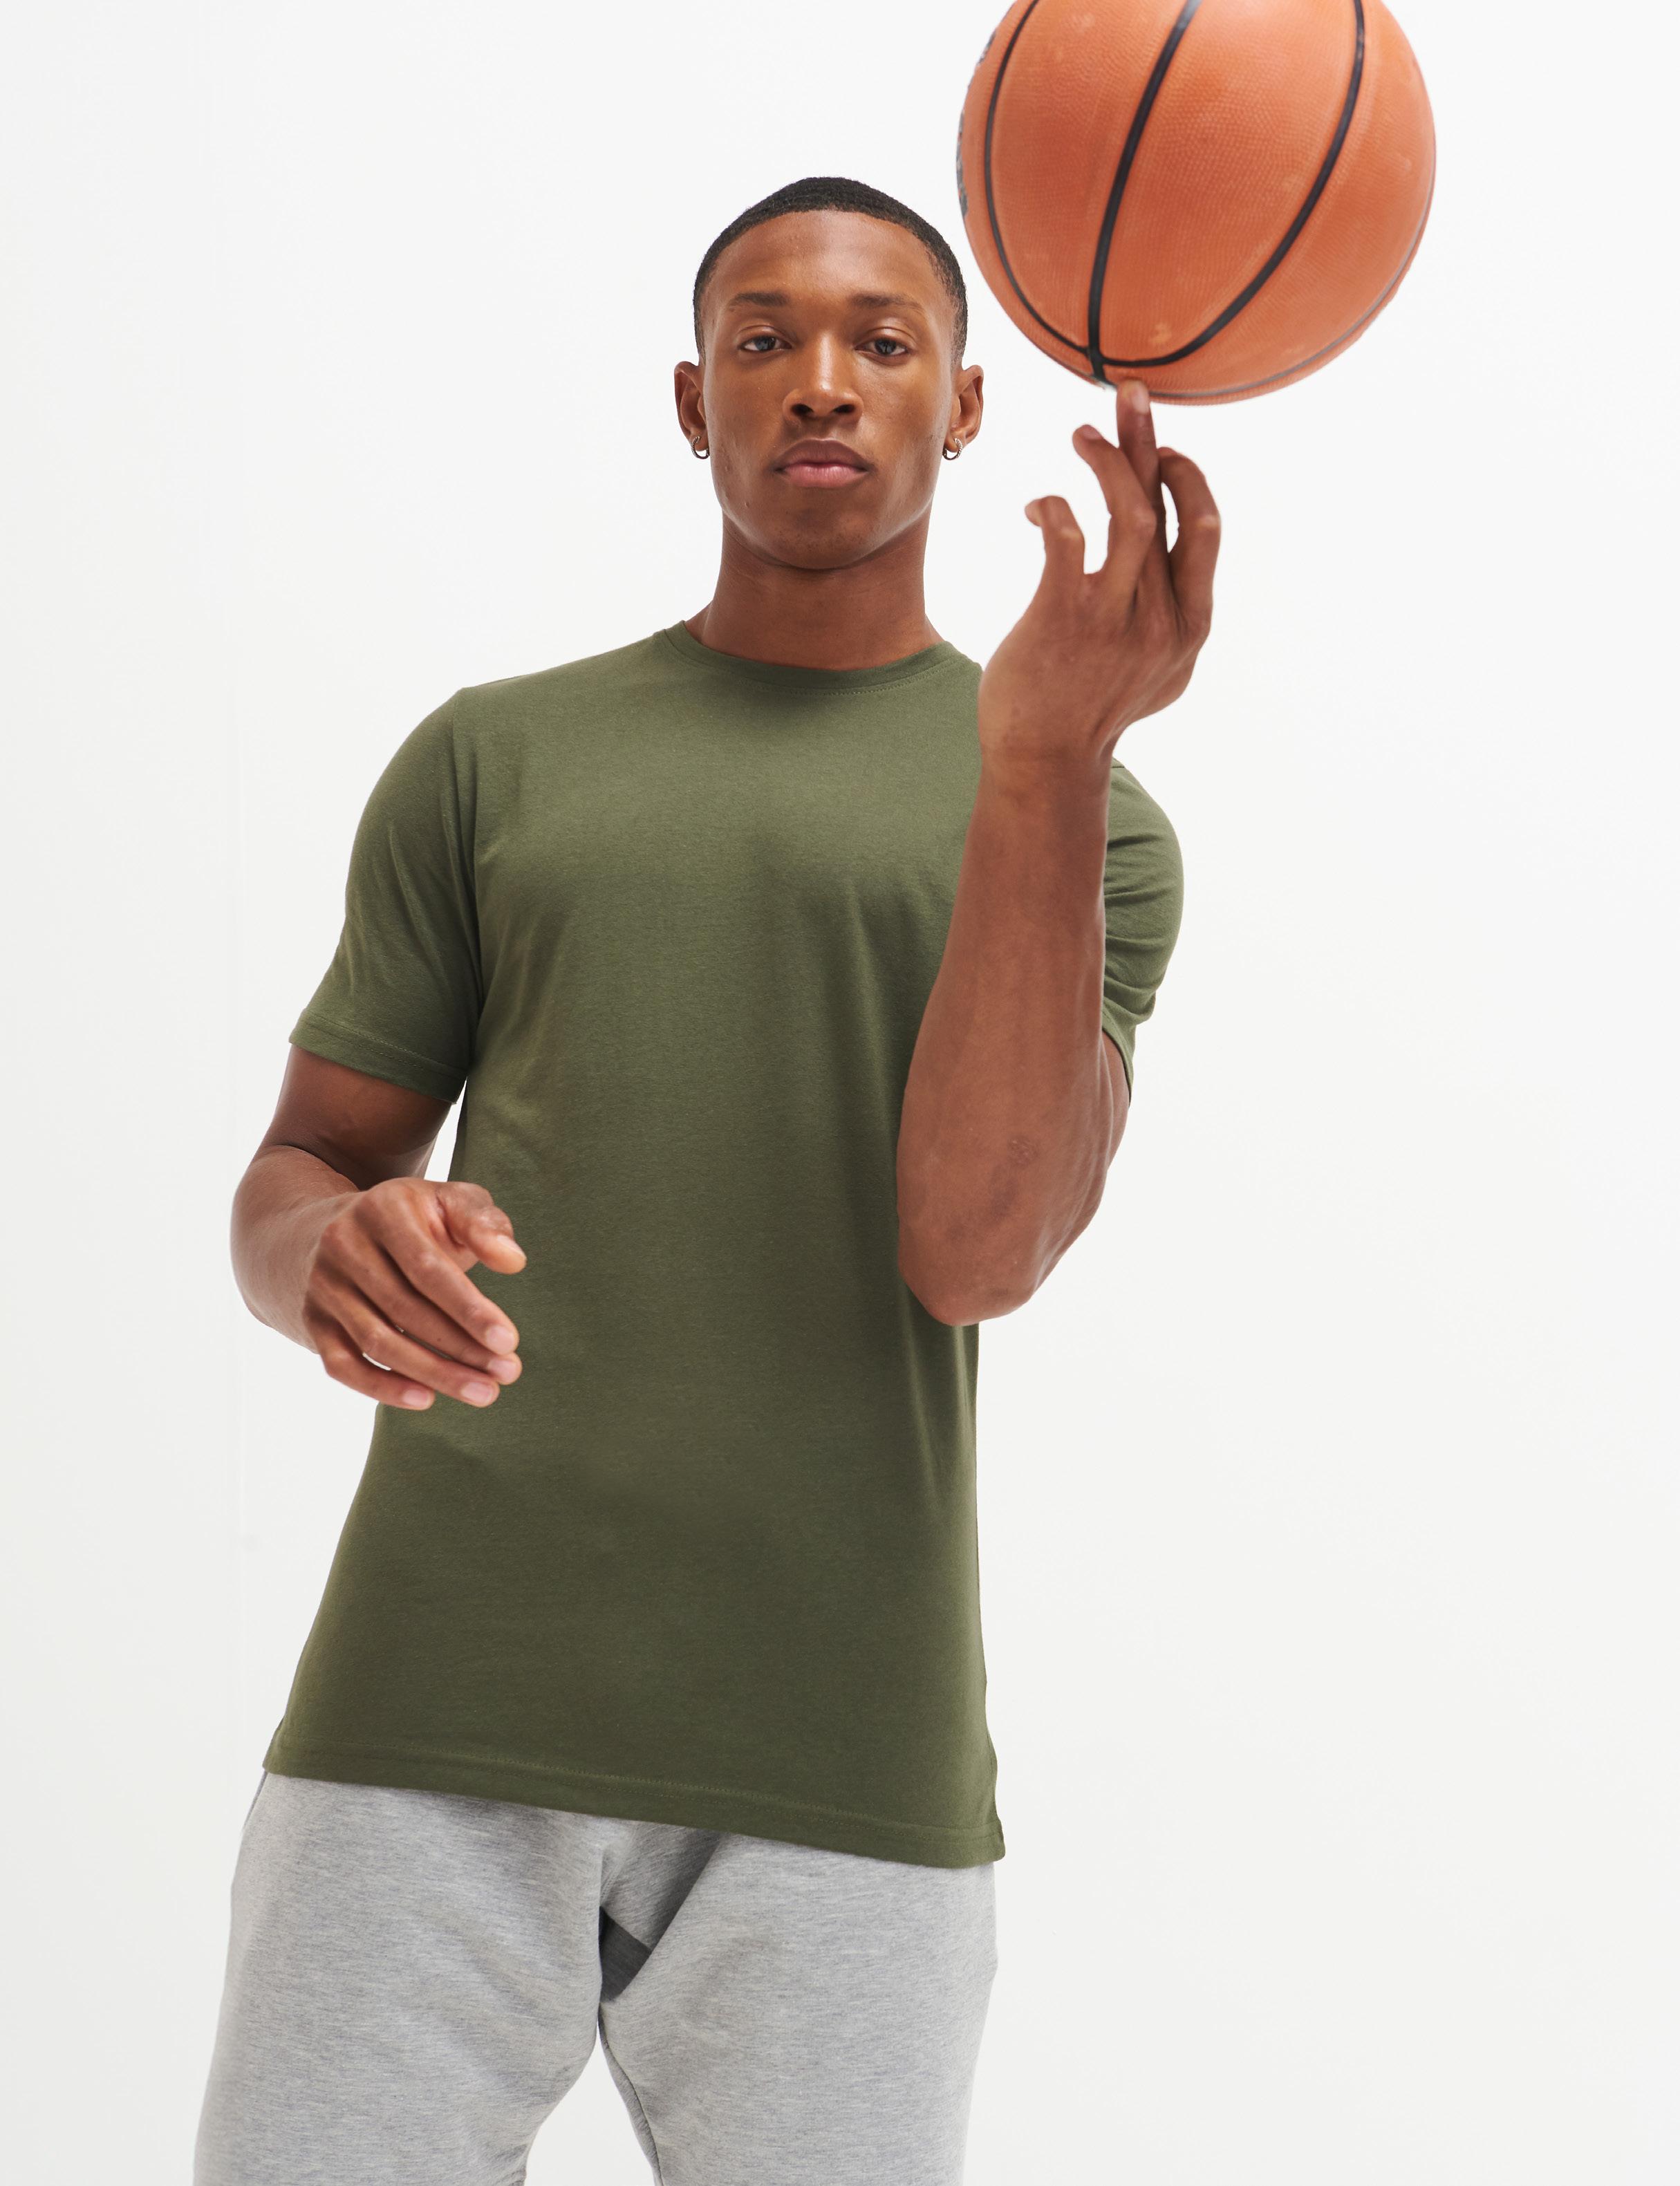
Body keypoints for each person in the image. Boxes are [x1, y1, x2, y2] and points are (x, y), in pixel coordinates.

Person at [194, 171, 1218, 2186]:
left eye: (881, 342)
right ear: (693, 401)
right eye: (765, 339)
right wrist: (326, 1249)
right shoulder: (493, 760)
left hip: (844, 1755)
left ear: (965, 406)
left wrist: (1043, 759)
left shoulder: (1096, 826)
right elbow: (299, 1170)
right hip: (434, 1713)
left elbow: (978, 1248)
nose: (821, 381)